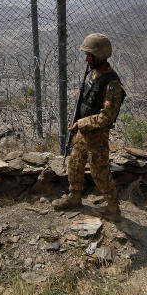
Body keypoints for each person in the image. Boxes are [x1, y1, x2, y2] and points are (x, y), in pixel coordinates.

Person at [52, 33, 126, 220]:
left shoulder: (112, 84)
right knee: (74, 165)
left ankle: (113, 208)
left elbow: (106, 117)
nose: (86, 58)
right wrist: (81, 98)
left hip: (97, 136)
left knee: (100, 173)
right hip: (82, 133)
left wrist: (82, 123)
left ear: (99, 56)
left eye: (89, 55)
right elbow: (91, 100)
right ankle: (74, 197)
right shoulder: (93, 74)